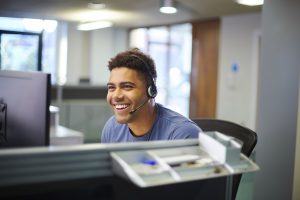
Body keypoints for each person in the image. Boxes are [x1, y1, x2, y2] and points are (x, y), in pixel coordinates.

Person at [101, 48, 201, 143]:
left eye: (127, 87)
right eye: (112, 88)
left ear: (151, 91)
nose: (116, 96)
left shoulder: (183, 135)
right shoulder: (112, 128)